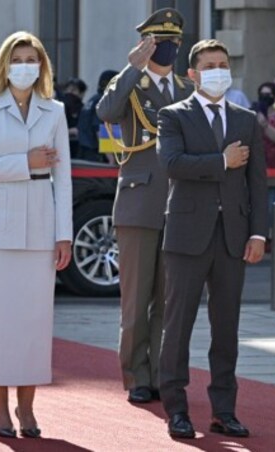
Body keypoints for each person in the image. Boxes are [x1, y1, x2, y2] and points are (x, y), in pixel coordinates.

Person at [157, 38, 268, 440]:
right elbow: (172, 164)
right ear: (192, 74)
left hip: (232, 238)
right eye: (210, 65)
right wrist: (222, 161)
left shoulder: (245, 118)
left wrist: (258, 232)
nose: (218, 70)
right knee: (178, 324)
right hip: (187, 235)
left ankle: (225, 409)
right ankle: (177, 407)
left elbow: (258, 182)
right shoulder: (173, 116)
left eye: (223, 64)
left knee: (226, 328)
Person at [0, 31, 72, 439]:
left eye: (32, 58)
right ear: (5, 65)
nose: (24, 65)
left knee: (33, 322)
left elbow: (62, 178)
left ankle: (27, 406)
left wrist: (65, 235)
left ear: (42, 65)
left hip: (40, 225)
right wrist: (24, 162)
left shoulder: (55, 110)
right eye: (17, 58)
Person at [96, 7, 195, 405]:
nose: (167, 49)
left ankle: (160, 373)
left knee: (168, 301)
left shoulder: (188, 91)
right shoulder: (131, 86)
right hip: (140, 201)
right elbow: (105, 112)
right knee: (136, 302)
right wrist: (131, 69)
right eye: (159, 42)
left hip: (181, 205)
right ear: (144, 44)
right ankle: (137, 374)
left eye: (173, 42)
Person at [252, 82, 275, 215]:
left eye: (268, 94)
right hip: (258, 167)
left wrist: (265, 125)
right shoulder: (252, 114)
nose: (265, 97)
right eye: (262, 94)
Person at [78, 69, 118, 162]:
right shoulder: (104, 102)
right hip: (95, 157)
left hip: (84, 153)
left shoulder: (93, 99)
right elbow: (100, 130)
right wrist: (111, 157)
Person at [62, 77, 87, 158]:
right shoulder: (59, 108)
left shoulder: (85, 109)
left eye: (73, 90)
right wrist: (69, 131)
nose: (70, 93)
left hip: (79, 150)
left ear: (81, 94)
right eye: (68, 90)